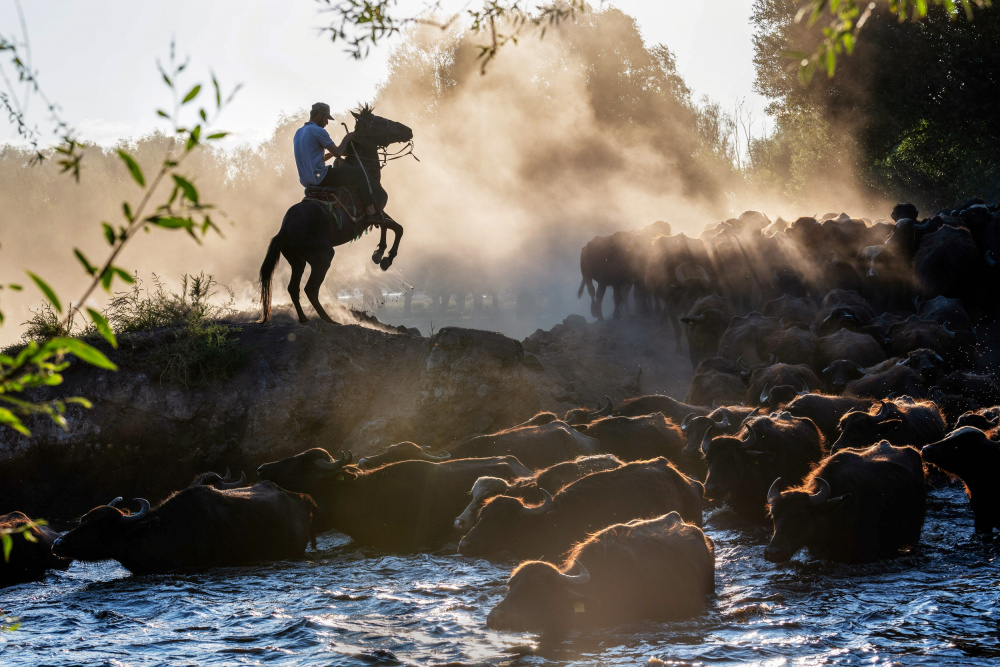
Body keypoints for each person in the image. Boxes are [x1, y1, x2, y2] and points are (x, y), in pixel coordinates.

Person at [293, 102, 377, 217]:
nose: (327, 123)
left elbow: (318, 158)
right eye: (326, 119)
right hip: (321, 178)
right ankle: (371, 209)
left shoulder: (298, 133)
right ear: (319, 116)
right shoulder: (318, 131)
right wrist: (346, 139)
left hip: (306, 182)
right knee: (359, 173)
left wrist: (333, 152)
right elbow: (338, 153)